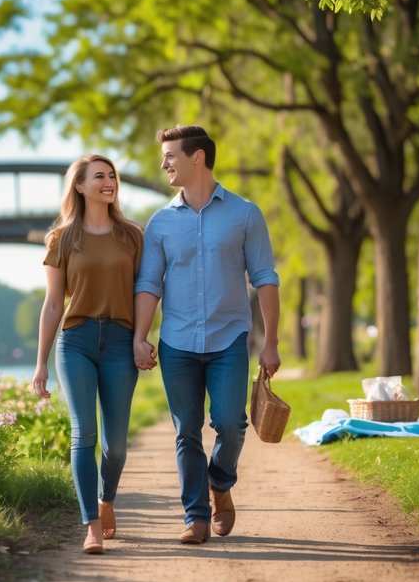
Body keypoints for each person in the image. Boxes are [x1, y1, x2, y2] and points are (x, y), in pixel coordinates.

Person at [133, 125, 280, 545]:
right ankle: (195, 516)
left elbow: (266, 278)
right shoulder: (160, 223)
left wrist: (270, 342)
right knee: (187, 430)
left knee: (232, 424)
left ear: (197, 157)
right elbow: (149, 284)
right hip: (176, 342)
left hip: (229, 337)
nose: (164, 165)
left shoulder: (245, 214)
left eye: (170, 156)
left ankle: (220, 482)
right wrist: (140, 336)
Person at [32, 154, 146, 555]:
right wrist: (41, 363)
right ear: (79, 186)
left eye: (112, 175)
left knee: (116, 446)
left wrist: (143, 337)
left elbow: (144, 294)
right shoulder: (62, 238)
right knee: (84, 434)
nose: (108, 181)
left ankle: (106, 499)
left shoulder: (133, 235)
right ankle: (91, 526)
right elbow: (51, 305)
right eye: (99, 176)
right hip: (75, 341)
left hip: (120, 341)